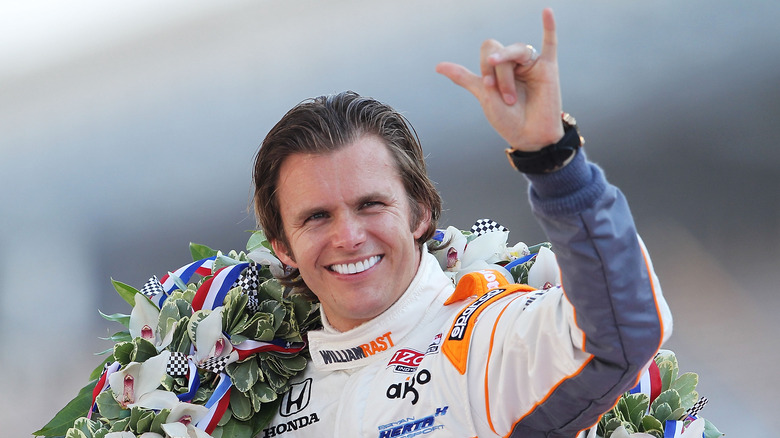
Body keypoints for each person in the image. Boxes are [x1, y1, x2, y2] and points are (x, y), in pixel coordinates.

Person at [251, 8, 671, 438]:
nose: (349, 237)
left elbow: (619, 335)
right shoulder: (259, 402)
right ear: (283, 246)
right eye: (317, 217)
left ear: (420, 213)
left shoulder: (483, 344)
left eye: (371, 205)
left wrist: (554, 164)